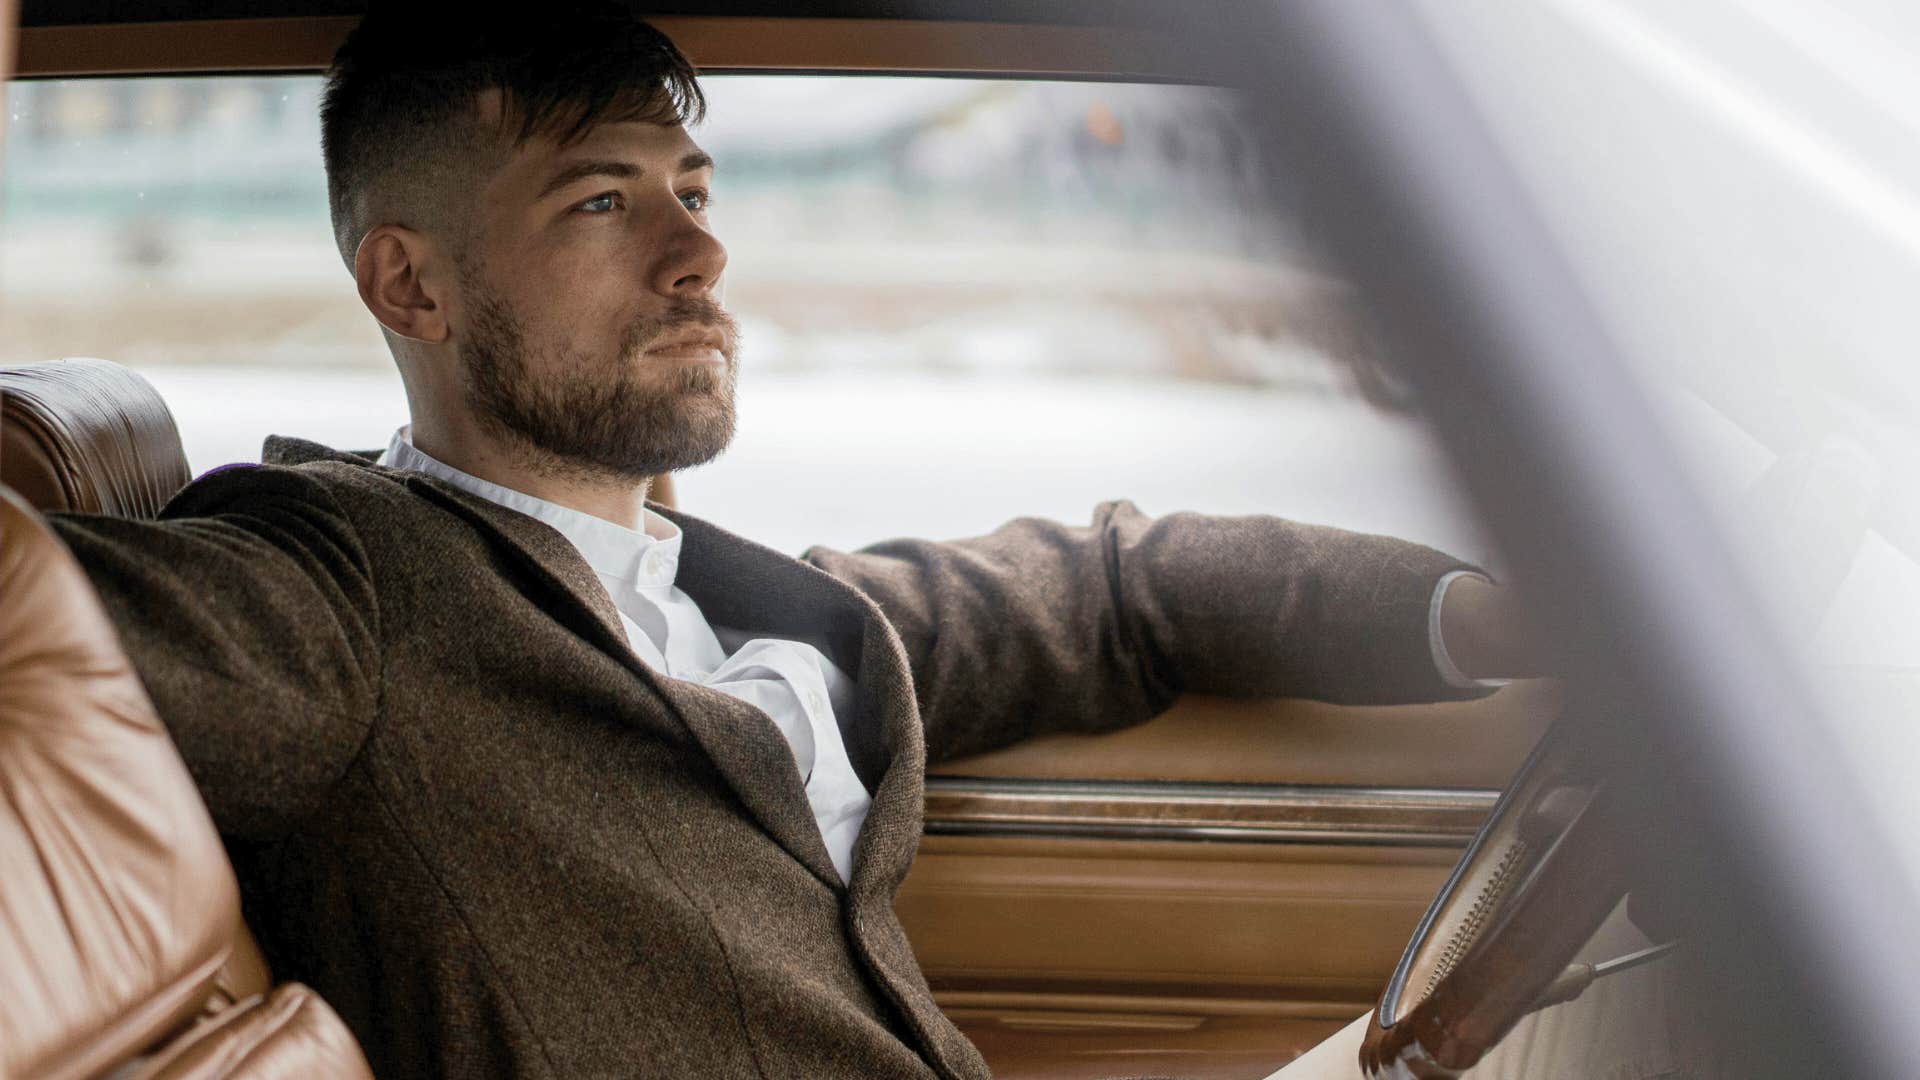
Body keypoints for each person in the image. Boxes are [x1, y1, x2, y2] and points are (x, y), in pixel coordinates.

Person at [46, 6, 1537, 1077]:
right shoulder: (334, 581)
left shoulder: (744, 603)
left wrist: (1500, 619)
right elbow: (36, 632)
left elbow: (1118, 592)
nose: (700, 253)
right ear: (410, 287)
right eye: (603, 201)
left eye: (692, 192)